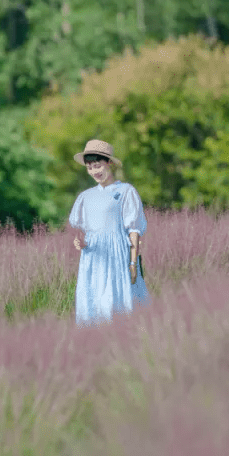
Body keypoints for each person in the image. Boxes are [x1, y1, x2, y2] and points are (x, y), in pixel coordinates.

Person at [68, 139, 150, 326]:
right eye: (89, 168)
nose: (94, 171)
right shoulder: (85, 197)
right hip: (93, 258)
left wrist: (132, 261)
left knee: (117, 299)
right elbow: (81, 232)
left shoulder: (125, 191)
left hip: (117, 255)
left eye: (98, 166)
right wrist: (79, 243)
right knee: (94, 300)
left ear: (109, 163)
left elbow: (134, 229)